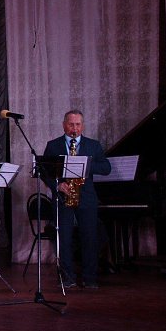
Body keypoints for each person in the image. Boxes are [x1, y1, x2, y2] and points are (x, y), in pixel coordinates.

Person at [43, 110, 111, 289]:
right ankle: (68, 278)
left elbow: (106, 168)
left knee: (89, 238)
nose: (75, 128)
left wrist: (86, 165)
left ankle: (90, 278)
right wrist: (57, 185)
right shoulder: (53, 145)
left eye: (78, 124)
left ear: (83, 125)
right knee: (64, 239)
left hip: (87, 198)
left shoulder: (93, 145)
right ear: (64, 125)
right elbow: (44, 171)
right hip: (63, 196)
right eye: (71, 124)